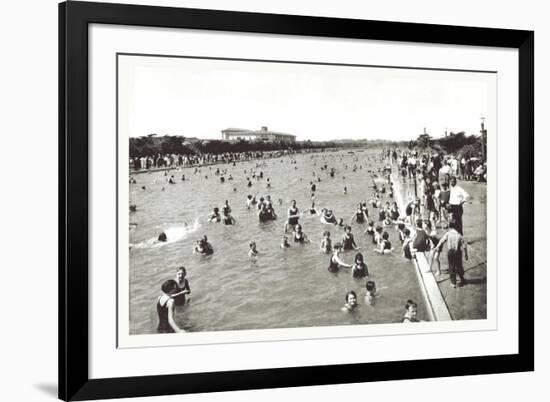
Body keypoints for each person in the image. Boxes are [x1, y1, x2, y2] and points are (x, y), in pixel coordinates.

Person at [433, 221, 468, 288]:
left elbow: (441, 241)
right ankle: (462, 278)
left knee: (451, 267)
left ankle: (453, 283)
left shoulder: (448, 234)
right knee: (459, 266)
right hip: (457, 252)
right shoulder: (459, 235)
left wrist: (436, 247)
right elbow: (464, 246)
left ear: (450, 227)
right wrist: (466, 255)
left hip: (450, 253)